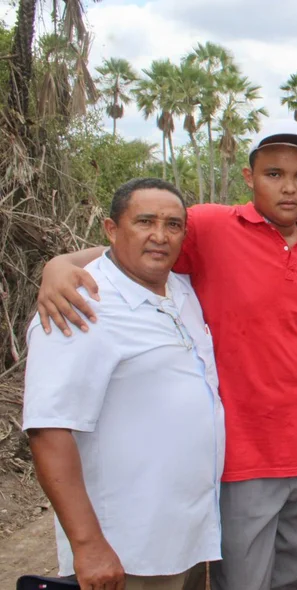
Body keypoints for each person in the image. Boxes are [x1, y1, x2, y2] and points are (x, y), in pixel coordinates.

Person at [35, 122, 297, 590]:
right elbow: (134, 250)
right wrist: (57, 265)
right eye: (273, 173)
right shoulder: (208, 224)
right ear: (249, 177)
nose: (288, 186)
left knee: (295, 581)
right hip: (241, 457)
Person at [23, 178, 222, 590]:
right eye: (144, 221)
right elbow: (48, 430)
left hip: (183, 539)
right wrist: (88, 545)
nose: (159, 236)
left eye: (173, 225)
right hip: (124, 550)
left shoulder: (181, 290)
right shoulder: (80, 305)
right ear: (111, 229)